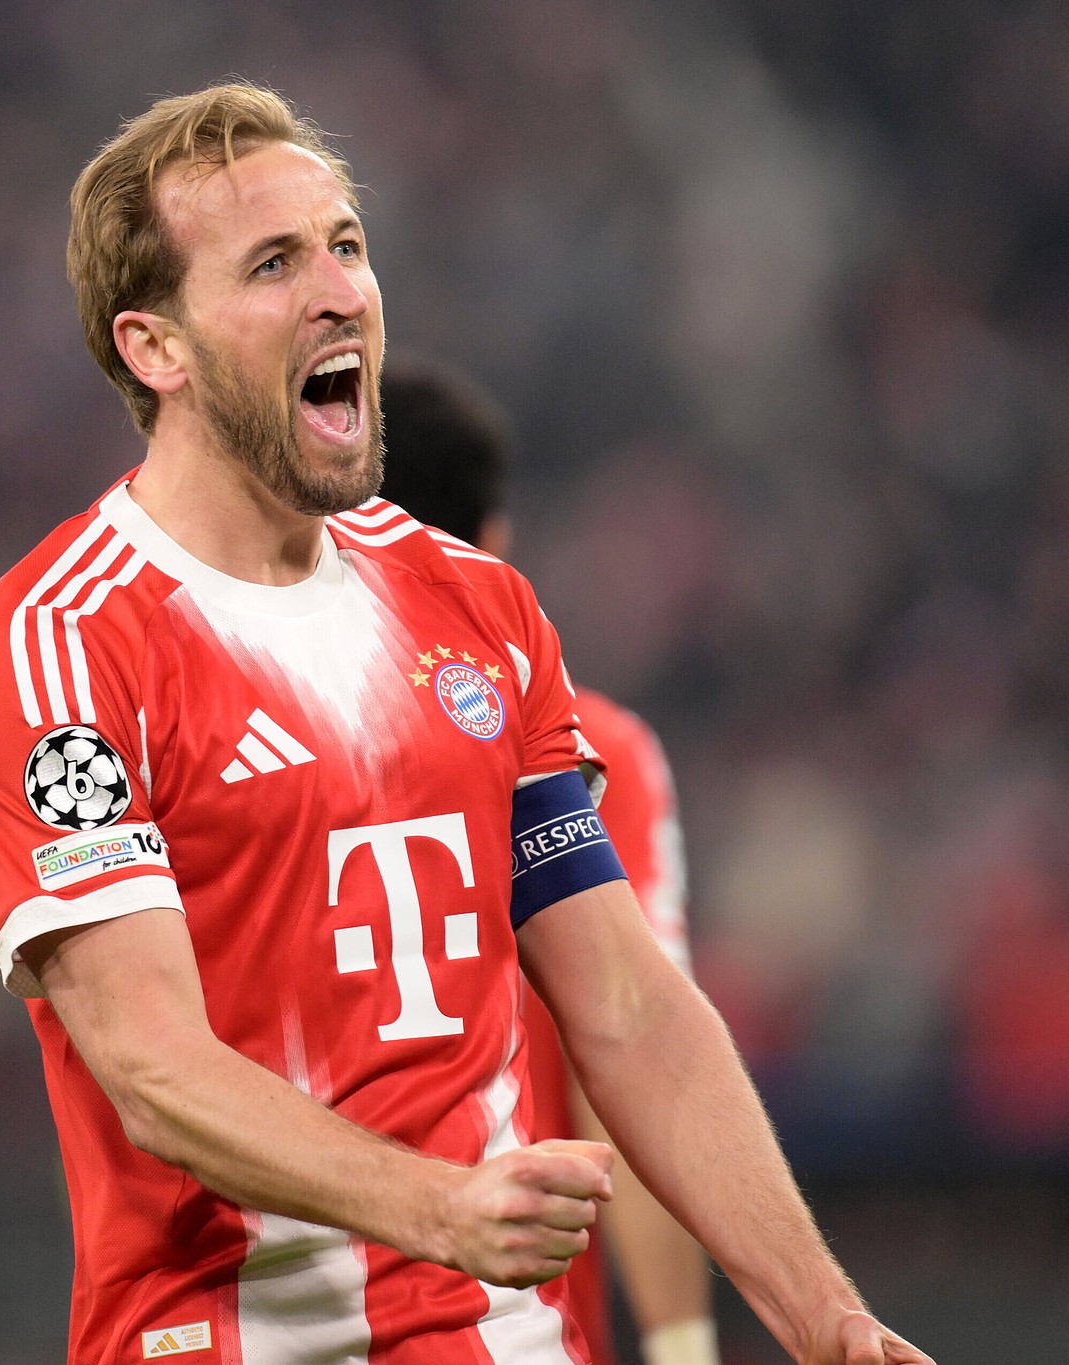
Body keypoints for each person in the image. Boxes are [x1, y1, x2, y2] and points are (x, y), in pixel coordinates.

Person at [0, 82, 930, 1365]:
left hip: (492, 1339)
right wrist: (435, 1208)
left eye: (345, 245)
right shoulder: (55, 652)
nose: (338, 292)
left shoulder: (476, 607)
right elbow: (152, 1069)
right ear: (154, 348)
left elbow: (626, 1005)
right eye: (273, 264)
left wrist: (822, 1318)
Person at [377, 364, 716, 1365]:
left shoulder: (227, 745)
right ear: (491, 547)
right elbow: (632, 1049)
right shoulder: (584, 749)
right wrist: (683, 1343)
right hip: (506, 1327)